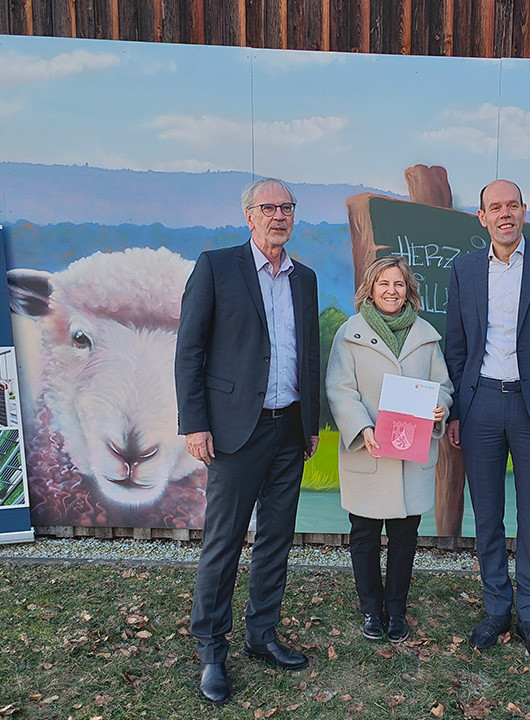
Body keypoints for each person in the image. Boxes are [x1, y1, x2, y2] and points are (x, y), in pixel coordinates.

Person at [175, 177, 320, 705]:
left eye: (286, 207)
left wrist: (311, 425)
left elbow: (309, 354)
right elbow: (189, 350)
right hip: (236, 430)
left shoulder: (304, 278)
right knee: (224, 542)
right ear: (249, 215)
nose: (278, 215)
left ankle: (262, 634)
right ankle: (212, 649)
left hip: (289, 427)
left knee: (277, 537)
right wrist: (194, 423)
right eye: (268, 207)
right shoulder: (217, 268)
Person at [444, 179, 530, 659]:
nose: (504, 214)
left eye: (511, 205)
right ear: (481, 217)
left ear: (524, 210)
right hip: (480, 405)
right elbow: (456, 348)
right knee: (487, 516)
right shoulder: (463, 270)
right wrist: (458, 411)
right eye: (493, 207)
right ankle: (496, 607)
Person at [325, 256, 453, 644]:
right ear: (370, 288)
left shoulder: (427, 336)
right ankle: (371, 610)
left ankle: (396, 610)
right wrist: (362, 427)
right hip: (370, 452)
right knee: (363, 534)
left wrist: (439, 410)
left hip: (410, 458)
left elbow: (443, 386)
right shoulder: (349, 334)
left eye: (398, 284)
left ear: (408, 289)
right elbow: (339, 389)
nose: (391, 291)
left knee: (404, 537)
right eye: (383, 284)